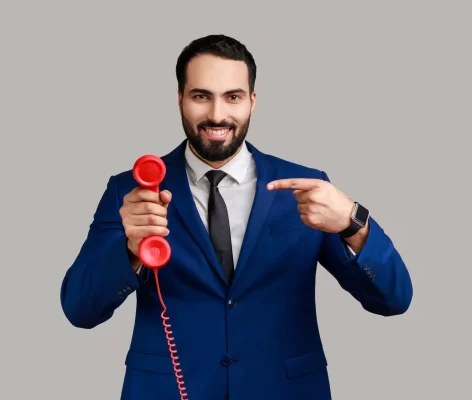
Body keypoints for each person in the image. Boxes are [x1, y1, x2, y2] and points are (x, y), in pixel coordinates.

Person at [60, 34, 413, 400]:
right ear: (179, 99)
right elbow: (79, 310)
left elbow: (393, 299)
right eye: (201, 96)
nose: (217, 115)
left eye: (233, 96)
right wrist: (131, 251)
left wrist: (354, 222)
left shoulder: (307, 188)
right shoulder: (130, 191)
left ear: (252, 101)